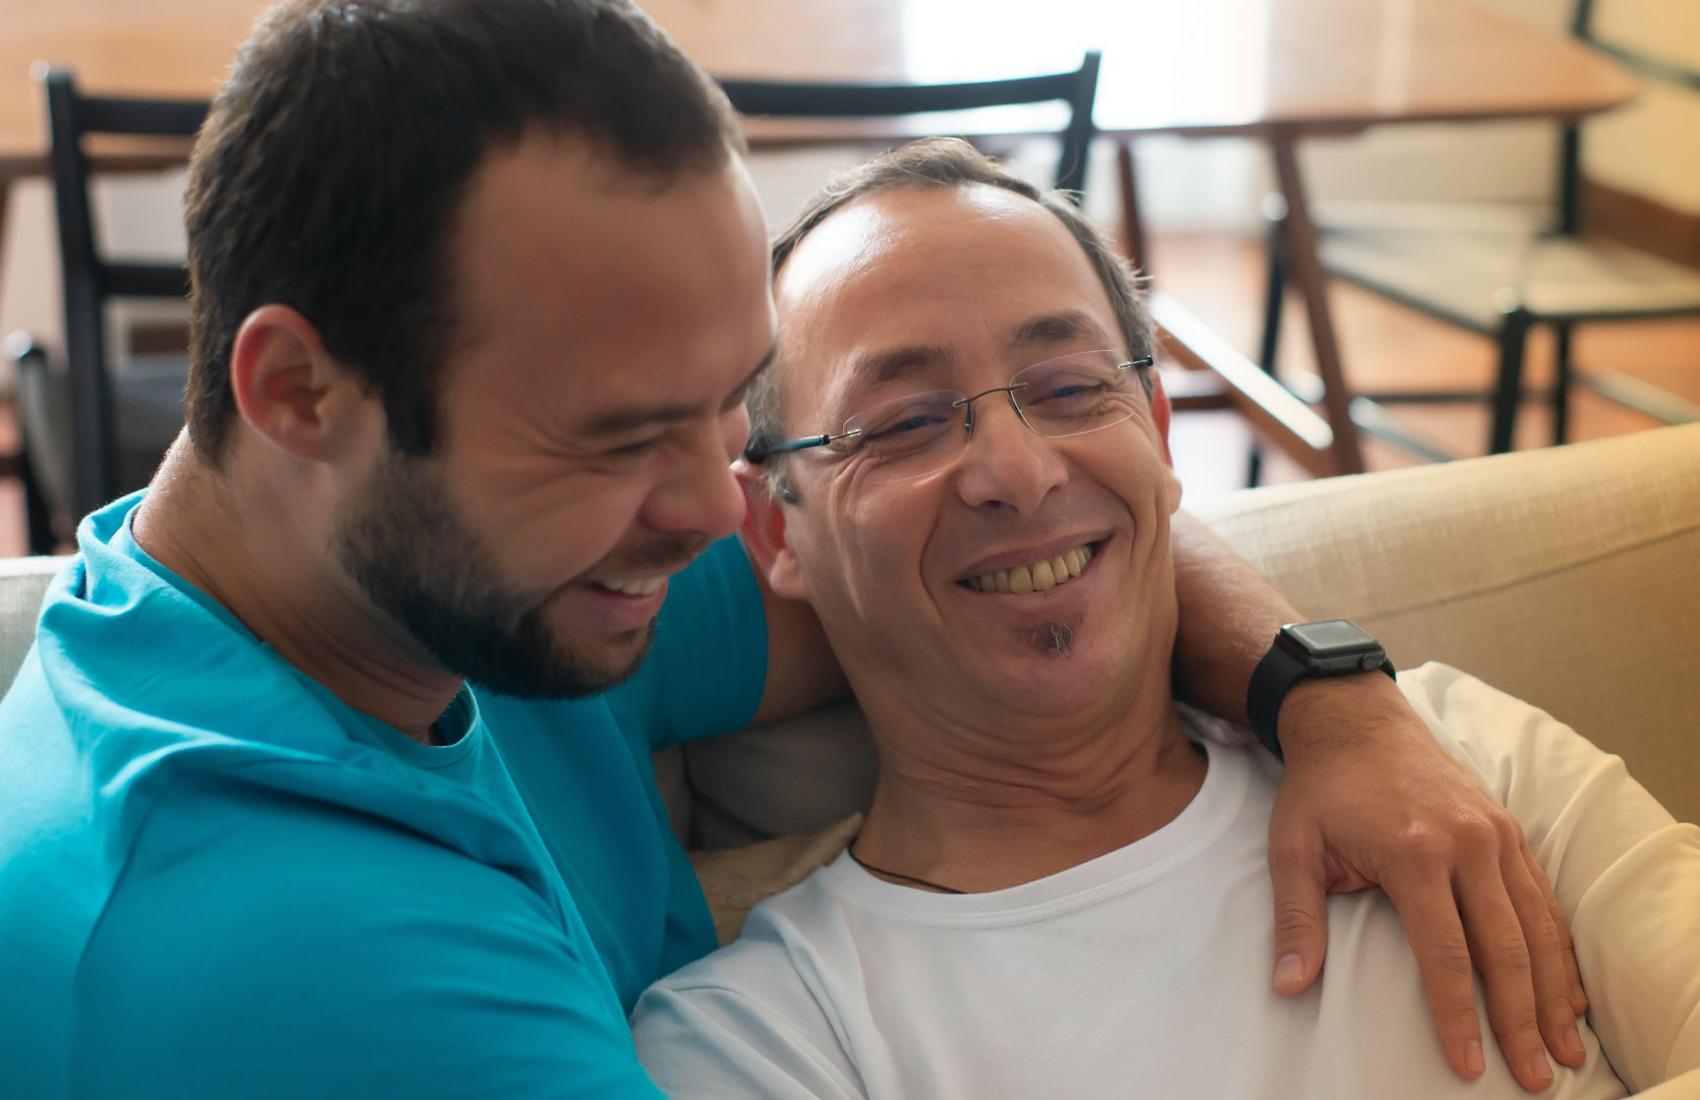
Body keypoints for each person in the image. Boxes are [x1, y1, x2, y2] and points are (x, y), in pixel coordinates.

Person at [0, 1, 1591, 1096]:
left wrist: (1330, 695)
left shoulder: (453, 577)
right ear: (299, 393)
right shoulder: (296, 964)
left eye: (721, 410)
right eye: (625, 433)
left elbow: (1018, 555)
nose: (709, 508)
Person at [628, 138, 1700, 1098]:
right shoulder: (768, 1037)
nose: (1016, 469)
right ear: (777, 537)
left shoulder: (1447, 757)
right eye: (903, 422)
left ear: (1155, 433)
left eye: (1065, 387)